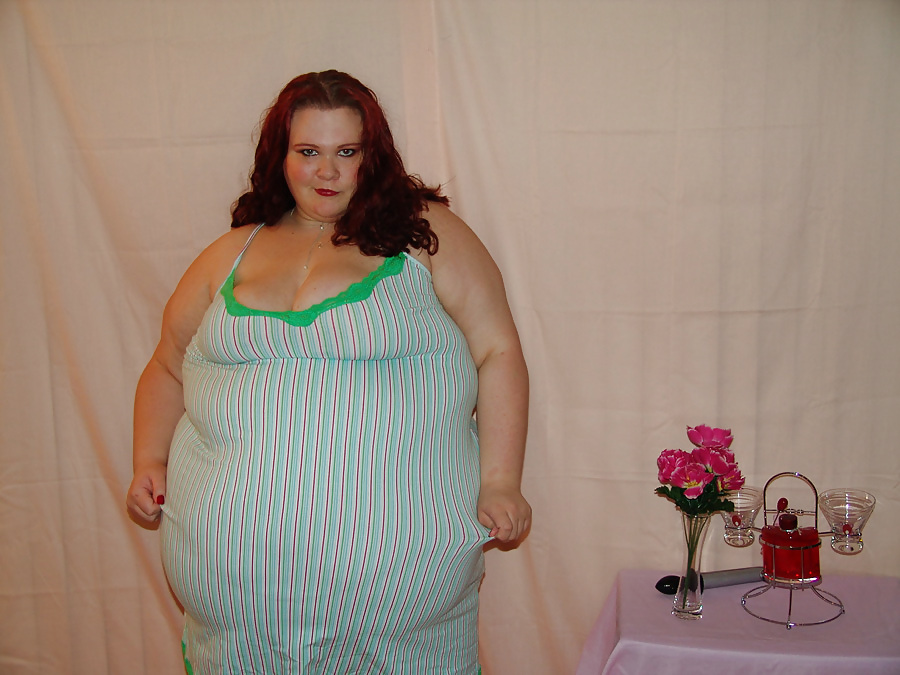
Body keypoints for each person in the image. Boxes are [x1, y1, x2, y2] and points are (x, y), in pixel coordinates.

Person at [125, 69, 530, 673]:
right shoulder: (230, 252)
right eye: (309, 151)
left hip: (396, 585)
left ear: (374, 156)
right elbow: (166, 366)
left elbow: (498, 352)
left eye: (347, 152)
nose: (328, 171)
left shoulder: (424, 236)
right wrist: (148, 460)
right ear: (280, 157)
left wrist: (500, 480)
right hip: (235, 596)